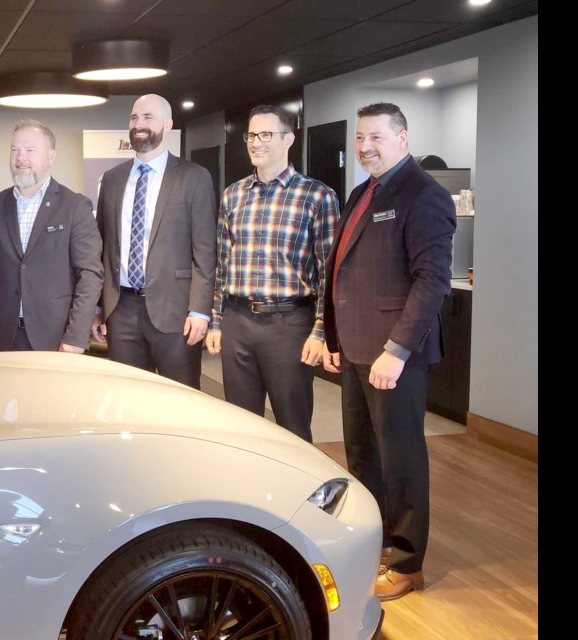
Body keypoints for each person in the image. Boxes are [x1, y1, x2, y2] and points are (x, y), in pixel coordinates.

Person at [323, 102, 456, 600]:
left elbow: (432, 282)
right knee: (363, 454)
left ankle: (406, 562)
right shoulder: (363, 192)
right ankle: (375, 541)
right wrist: (333, 338)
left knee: (400, 458)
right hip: (357, 349)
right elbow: (341, 270)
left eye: (376, 137)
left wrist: (397, 350)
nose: (365, 146)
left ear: (402, 137)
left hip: (394, 356)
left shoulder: (425, 194)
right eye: (360, 137)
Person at [205, 105, 338, 442]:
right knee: (240, 425)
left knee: (293, 427)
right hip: (237, 321)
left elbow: (329, 273)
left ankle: (296, 492)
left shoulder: (317, 196)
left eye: (266, 134)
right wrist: (218, 321)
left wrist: (321, 332)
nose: (256, 142)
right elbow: (222, 263)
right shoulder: (233, 195)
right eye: (251, 135)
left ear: (288, 139)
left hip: (289, 325)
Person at [91, 94, 216, 389]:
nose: (139, 124)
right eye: (134, 118)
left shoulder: (194, 177)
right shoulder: (111, 179)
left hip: (176, 313)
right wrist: (98, 307)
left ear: (168, 124)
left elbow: (205, 251)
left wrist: (199, 310)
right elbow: (102, 249)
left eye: (148, 117)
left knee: (181, 399)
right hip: (121, 312)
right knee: (130, 401)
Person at [0, 120, 102, 352]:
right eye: (14, 149)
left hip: (57, 340)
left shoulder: (74, 206)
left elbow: (90, 275)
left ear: (50, 157)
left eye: (30, 150)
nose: (20, 158)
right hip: (0, 338)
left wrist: (77, 336)